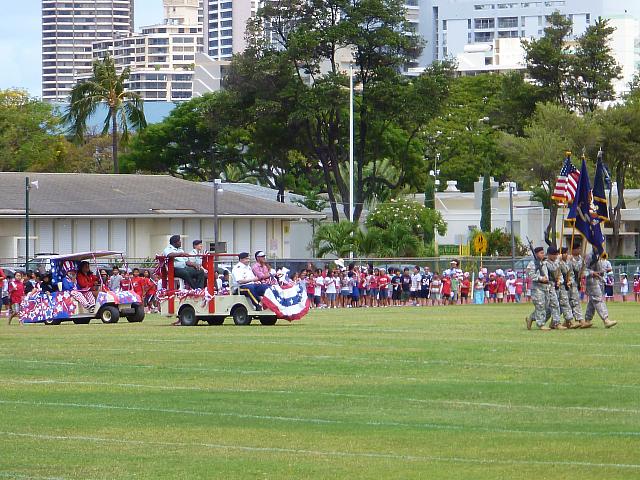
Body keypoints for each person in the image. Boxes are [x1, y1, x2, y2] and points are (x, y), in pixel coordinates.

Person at [583, 251, 617, 328]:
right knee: (598, 299)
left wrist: (603, 271)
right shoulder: (589, 256)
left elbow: (600, 268)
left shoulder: (599, 255)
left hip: (598, 280)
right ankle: (606, 319)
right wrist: (592, 273)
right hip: (591, 280)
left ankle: (587, 320)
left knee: (592, 301)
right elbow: (584, 269)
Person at [526, 246, 552, 331]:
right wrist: (540, 278)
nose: (543, 254)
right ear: (536, 254)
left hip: (545, 287)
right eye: (541, 253)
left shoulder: (544, 263)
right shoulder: (532, 263)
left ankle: (531, 318)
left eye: (543, 252)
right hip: (537, 288)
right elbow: (531, 275)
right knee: (540, 306)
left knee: (546, 307)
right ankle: (541, 324)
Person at [544, 246, 566, 330]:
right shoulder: (546, 262)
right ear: (549, 255)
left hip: (556, 286)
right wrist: (558, 260)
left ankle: (534, 318)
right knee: (554, 305)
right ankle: (557, 323)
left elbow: (560, 273)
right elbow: (553, 268)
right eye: (553, 255)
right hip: (548, 287)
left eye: (556, 254)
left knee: (551, 308)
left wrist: (560, 281)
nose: (555, 256)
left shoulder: (556, 262)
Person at [568, 242, 585, 327]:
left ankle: (575, 321)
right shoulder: (569, 259)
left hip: (576, 283)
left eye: (580, 248)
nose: (579, 250)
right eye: (578, 249)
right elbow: (576, 267)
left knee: (574, 302)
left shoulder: (581, 258)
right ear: (573, 250)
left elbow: (582, 270)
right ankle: (580, 320)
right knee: (568, 303)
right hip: (569, 283)